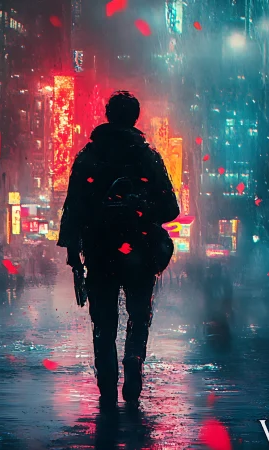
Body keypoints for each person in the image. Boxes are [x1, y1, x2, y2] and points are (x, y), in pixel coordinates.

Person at [57, 91, 180, 404]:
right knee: (139, 315)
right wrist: (141, 210)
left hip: (99, 251)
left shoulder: (89, 156)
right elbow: (170, 208)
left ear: (108, 115)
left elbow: (73, 209)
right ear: (134, 118)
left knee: (103, 321)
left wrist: (74, 256)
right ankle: (133, 361)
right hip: (139, 250)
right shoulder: (147, 157)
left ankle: (108, 382)